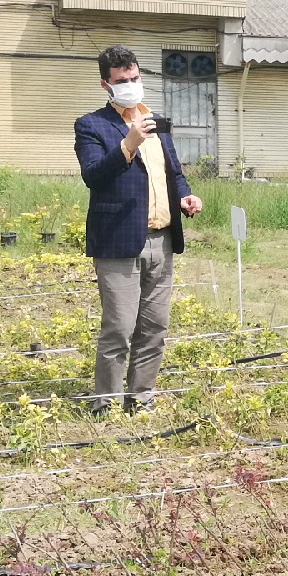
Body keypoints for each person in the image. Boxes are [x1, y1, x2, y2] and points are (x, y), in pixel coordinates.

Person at [74, 45, 203, 416]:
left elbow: (172, 172)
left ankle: (141, 398)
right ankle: (106, 404)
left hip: (161, 239)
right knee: (118, 327)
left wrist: (186, 196)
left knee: (154, 327)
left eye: (134, 78)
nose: (129, 85)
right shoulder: (91, 125)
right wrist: (128, 143)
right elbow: (93, 175)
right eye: (120, 81)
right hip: (118, 240)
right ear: (106, 85)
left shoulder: (155, 121)